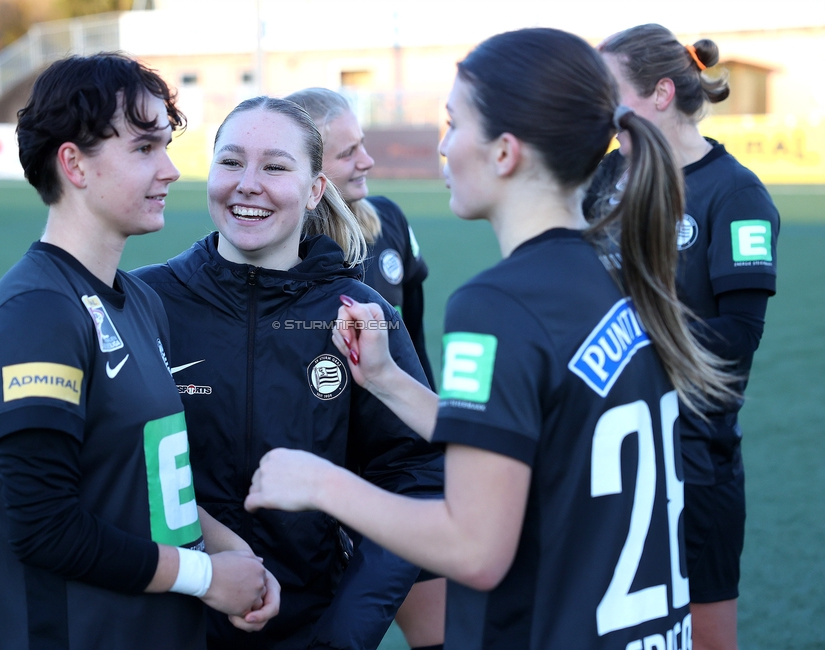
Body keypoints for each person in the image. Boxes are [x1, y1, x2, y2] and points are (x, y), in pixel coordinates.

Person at [0, 95, 443, 650]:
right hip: (163, 618)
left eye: (275, 166)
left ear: (315, 189)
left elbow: (412, 471)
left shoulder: (360, 314)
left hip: (307, 628)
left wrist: (345, 631)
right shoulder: (142, 300)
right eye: (231, 162)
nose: (248, 183)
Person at [244, 27, 739, 650]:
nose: (445, 147)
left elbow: (473, 548)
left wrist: (321, 483)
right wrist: (388, 381)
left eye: (453, 124)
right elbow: (530, 448)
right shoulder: (624, 271)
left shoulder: (500, 304)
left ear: (505, 152)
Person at [0, 53, 275, 648]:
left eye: (167, 146)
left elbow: (136, 484)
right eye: (145, 148)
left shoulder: (139, 302)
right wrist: (204, 577)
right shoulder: (38, 315)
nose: (171, 170)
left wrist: (233, 552)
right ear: (74, 163)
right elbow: (44, 526)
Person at [584, 24, 780, 650]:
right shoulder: (603, 179)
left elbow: (737, 336)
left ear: (662, 93)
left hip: (693, 457)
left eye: (608, 91)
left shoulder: (735, 193)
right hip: (598, 451)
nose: (598, 107)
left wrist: (632, 347)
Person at [286, 87, 445, 650]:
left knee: (442, 632)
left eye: (364, 146)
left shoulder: (391, 224)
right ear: (309, 171)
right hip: (315, 487)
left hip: (398, 474)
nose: (368, 162)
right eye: (349, 152)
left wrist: (427, 426)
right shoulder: (279, 248)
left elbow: (416, 341)